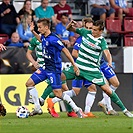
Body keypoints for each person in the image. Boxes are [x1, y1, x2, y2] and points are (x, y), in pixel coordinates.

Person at [48, 19, 133, 118]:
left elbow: (107, 53)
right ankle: (52, 97)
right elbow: (70, 29)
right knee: (60, 76)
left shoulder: (101, 41)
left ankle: (125, 110)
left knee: (108, 90)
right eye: (92, 29)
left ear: (101, 31)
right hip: (79, 67)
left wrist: (109, 62)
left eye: (96, 30)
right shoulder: (86, 32)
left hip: (92, 70)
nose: (93, 31)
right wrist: (70, 25)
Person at [26, 18, 84, 118]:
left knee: (58, 93)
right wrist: (33, 31)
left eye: (40, 27)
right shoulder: (44, 36)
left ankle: (76, 109)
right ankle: (37, 108)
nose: (38, 29)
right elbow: (40, 39)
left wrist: (74, 65)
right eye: (38, 27)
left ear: (46, 27)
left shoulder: (54, 39)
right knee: (29, 84)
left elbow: (65, 50)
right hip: (45, 68)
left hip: (53, 70)